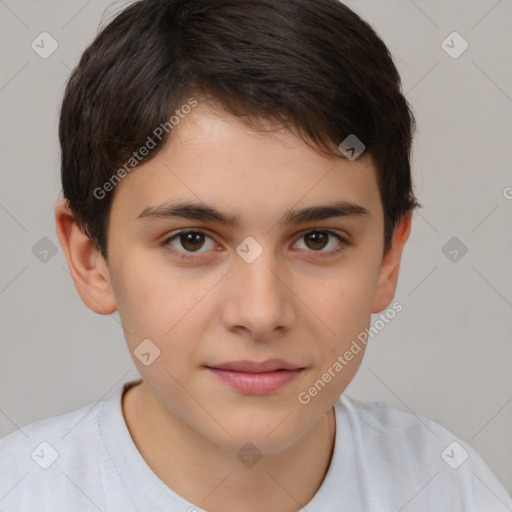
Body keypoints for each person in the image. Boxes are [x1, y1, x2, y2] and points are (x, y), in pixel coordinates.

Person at [1, 0, 510, 510]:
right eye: (192, 240)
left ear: (387, 259)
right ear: (92, 259)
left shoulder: (451, 488)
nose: (261, 313)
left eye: (318, 239)